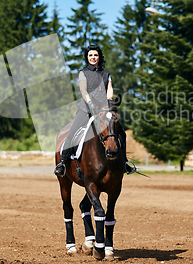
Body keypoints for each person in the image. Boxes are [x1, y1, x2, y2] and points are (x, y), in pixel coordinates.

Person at [54, 44, 136, 176]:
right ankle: (62, 163)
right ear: (87, 58)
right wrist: (91, 103)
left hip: (103, 110)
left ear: (99, 57)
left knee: (121, 132)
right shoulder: (83, 73)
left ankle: (124, 163)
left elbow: (109, 91)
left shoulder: (106, 74)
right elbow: (83, 90)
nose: (93, 57)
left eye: (95, 55)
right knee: (71, 133)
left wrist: (109, 103)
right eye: (90, 55)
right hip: (86, 109)